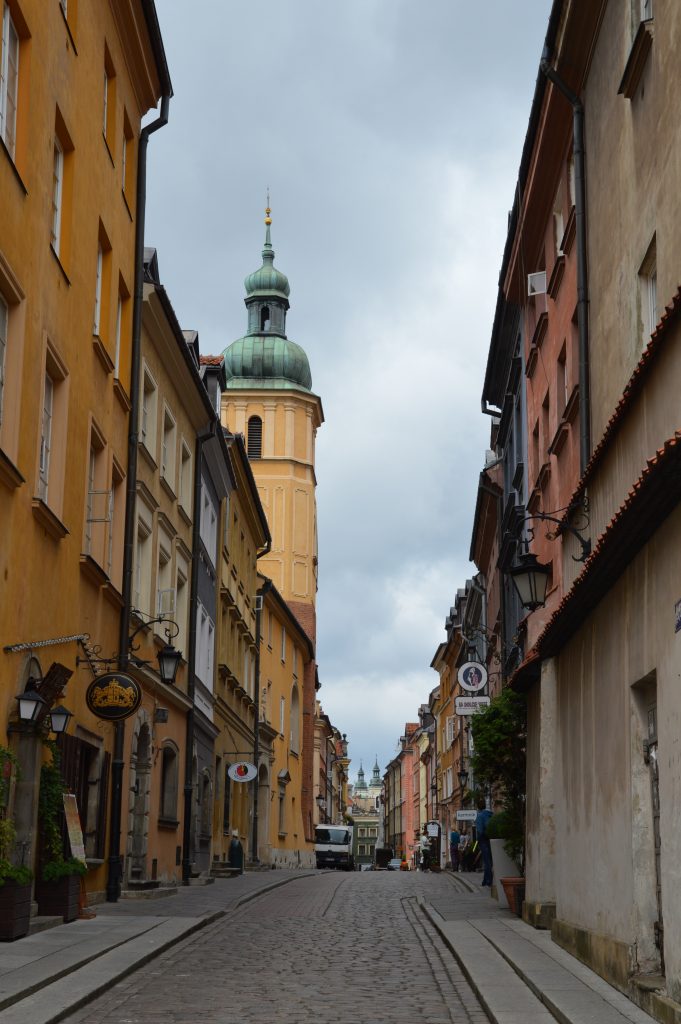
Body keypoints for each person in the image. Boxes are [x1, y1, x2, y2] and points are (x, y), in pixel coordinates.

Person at [475, 799, 493, 887]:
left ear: (477, 806)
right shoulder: (490, 814)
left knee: (487, 861)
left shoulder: (480, 816)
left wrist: (478, 840)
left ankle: (489, 880)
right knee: (489, 860)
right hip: (491, 839)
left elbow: (479, 830)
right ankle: (485, 880)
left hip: (483, 840)